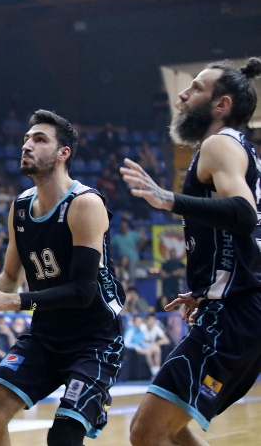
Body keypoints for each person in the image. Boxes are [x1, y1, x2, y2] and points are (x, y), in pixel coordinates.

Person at [0, 110, 126, 445]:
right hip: (46, 335)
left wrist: (10, 302)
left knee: (63, 436)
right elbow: (10, 276)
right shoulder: (21, 207)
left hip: (94, 340)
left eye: (40, 140)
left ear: (63, 153)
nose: (27, 145)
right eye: (26, 139)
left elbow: (83, 291)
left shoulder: (85, 203)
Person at [120, 58, 261, 445]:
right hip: (239, 307)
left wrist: (169, 199)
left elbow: (244, 214)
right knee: (171, 427)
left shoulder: (219, 144)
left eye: (197, 87)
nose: (182, 94)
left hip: (234, 313)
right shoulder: (239, 151)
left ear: (222, 104)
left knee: (146, 431)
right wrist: (206, 289)